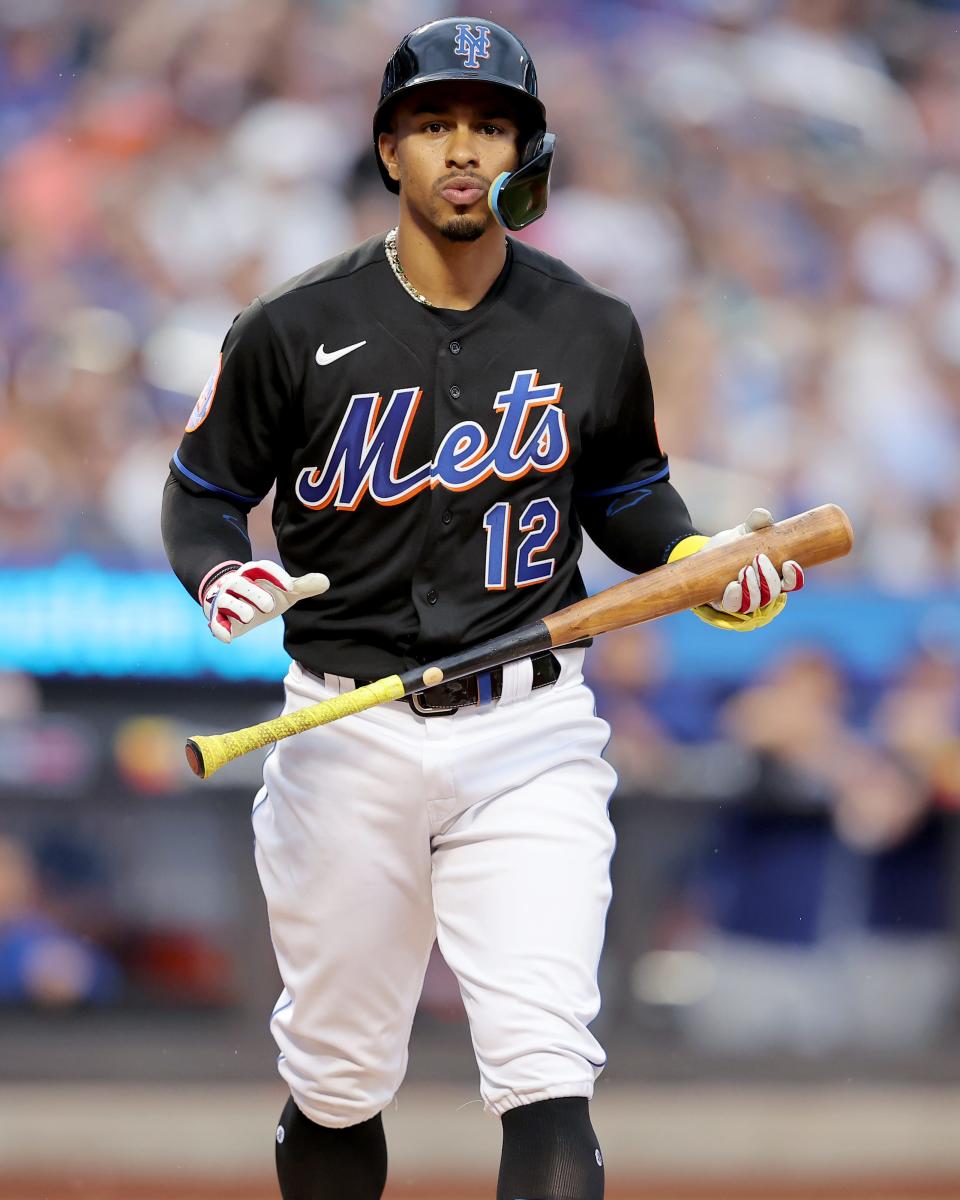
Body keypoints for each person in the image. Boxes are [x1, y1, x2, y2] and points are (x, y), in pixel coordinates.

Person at [161, 17, 803, 1200]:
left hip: (530, 732)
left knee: (546, 1064)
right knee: (339, 1077)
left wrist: (708, 561)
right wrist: (217, 573)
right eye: (435, 123)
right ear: (391, 150)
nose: (463, 147)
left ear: (526, 151)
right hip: (341, 728)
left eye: (490, 122)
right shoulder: (290, 327)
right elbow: (201, 496)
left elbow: (630, 498)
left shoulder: (592, 326)